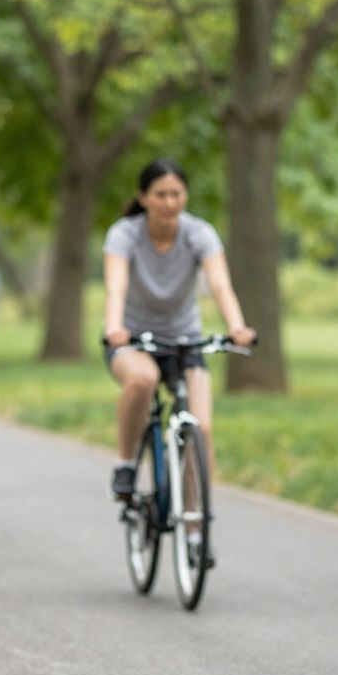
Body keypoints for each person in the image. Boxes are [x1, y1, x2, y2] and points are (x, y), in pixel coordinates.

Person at [103, 159, 254, 556]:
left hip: (186, 342)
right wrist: (114, 326)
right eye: (160, 194)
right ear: (143, 198)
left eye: (176, 194)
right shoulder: (125, 234)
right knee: (142, 380)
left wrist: (237, 325)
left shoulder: (199, 233)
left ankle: (194, 527)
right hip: (134, 338)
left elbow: (220, 285)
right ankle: (124, 464)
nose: (169, 202)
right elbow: (116, 285)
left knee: (200, 429)